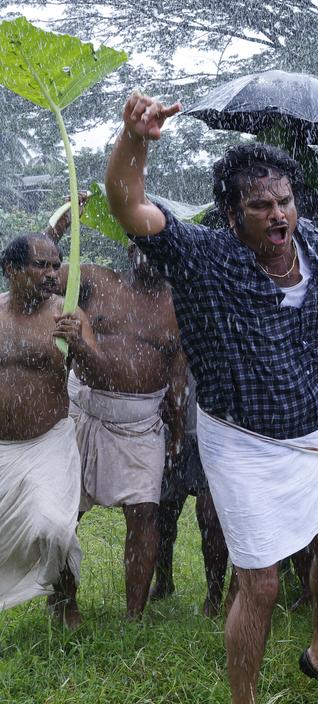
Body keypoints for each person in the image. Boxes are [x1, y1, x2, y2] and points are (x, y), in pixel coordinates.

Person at [105, 92, 318, 704]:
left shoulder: (316, 244)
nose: (278, 216)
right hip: (240, 437)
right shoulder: (203, 254)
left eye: (285, 201)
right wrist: (136, 141)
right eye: (261, 206)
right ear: (232, 214)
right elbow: (125, 203)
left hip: (311, 427)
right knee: (259, 584)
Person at [45, 206, 189, 621]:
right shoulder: (94, 279)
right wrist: (56, 230)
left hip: (141, 423)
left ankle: (133, 615)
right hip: (83, 411)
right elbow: (39, 276)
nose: (149, 255)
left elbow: (177, 376)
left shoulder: (177, 306)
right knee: (64, 512)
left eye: (159, 247)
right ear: (128, 248)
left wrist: (177, 431)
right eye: (142, 244)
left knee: (144, 513)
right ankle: (64, 600)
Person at [0, 234, 93, 627]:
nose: (53, 273)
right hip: (2, 447)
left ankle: (64, 599)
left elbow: (95, 373)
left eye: (56, 265)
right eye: (42, 265)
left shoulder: (67, 315)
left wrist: (81, 345)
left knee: (56, 527)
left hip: (48, 440)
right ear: (12, 271)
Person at [151, 370, 230, 618]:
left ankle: (214, 595)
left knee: (210, 518)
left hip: (216, 431)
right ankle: (164, 580)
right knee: (162, 515)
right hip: (173, 427)